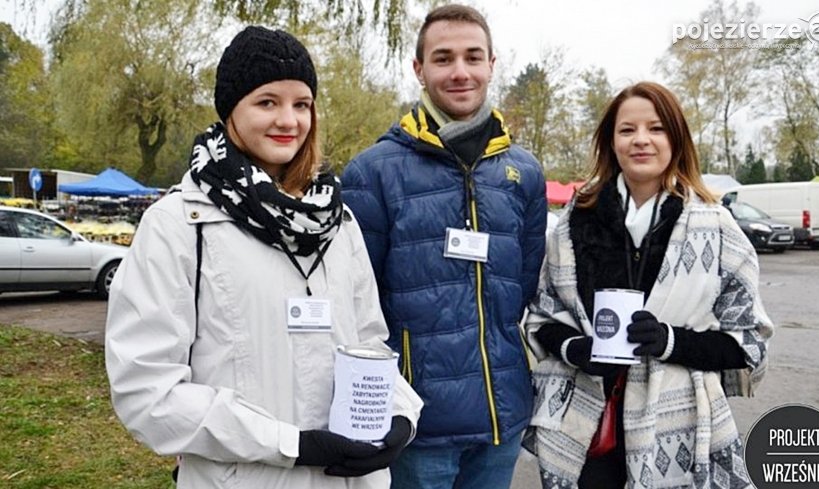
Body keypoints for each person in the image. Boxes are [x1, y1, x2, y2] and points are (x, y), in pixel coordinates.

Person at [104, 26, 422, 489]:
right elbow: (146, 391)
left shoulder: (338, 222)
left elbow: (369, 345)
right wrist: (291, 444)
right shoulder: (179, 224)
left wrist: (399, 414)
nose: (288, 120)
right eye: (267, 102)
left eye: (301, 104)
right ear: (232, 109)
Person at [522, 81, 774, 489]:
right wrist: (577, 349)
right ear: (611, 141)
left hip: (679, 430)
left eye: (656, 128)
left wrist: (670, 341)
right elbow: (542, 318)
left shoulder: (717, 227)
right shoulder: (575, 220)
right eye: (627, 130)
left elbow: (749, 343)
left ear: (676, 139)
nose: (641, 140)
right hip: (584, 425)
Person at [341, 4, 547, 489]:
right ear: (419, 69)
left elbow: (524, 289)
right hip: (416, 424)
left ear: (492, 65)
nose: (460, 72)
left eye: (473, 57)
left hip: (502, 418)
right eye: (443, 58)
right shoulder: (372, 172)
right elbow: (355, 307)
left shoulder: (524, 173)